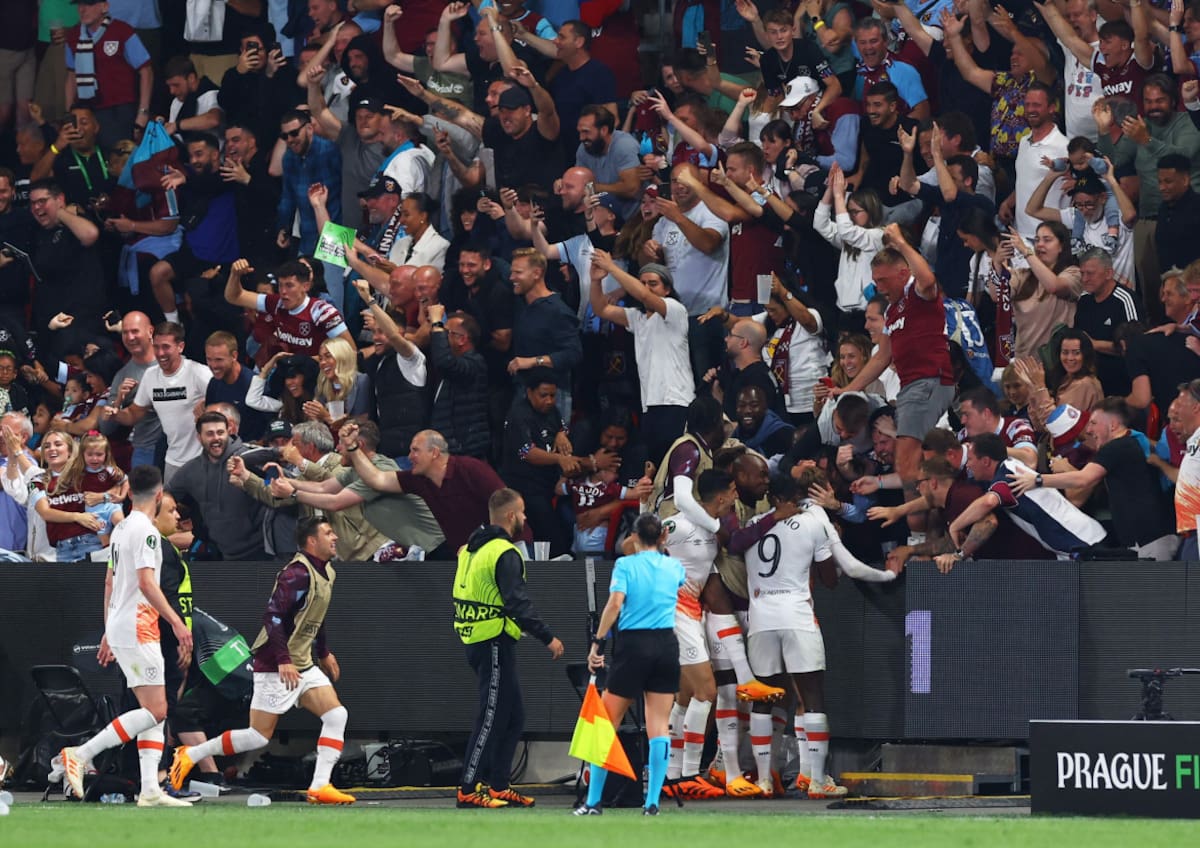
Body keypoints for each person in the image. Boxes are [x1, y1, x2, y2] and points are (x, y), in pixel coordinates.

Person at [169, 517, 356, 805]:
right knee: (257, 736)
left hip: (303, 664)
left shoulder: (327, 571)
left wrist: (323, 652)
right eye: (328, 533)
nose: (335, 538)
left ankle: (319, 786)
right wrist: (283, 660)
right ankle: (190, 753)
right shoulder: (296, 574)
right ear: (311, 541)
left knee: (336, 715)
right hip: (275, 666)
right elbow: (273, 617)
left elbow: (315, 616)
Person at [744, 472, 898, 798]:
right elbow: (831, 577)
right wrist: (885, 575)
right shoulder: (814, 521)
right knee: (812, 697)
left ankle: (763, 780)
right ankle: (817, 780)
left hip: (760, 618)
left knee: (764, 699)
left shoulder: (754, 525)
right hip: (797, 616)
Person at [61, 465, 194, 808]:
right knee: (157, 709)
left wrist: (108, 628)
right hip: (140, 625)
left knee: (154, 709)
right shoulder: (147, 532)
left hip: (123, 622)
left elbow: (109, 583)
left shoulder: (120, 529)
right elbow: (147, 584)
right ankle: (81, 753)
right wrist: (177, 623)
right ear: (160, 495)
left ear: (130, 492)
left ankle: (150, 789)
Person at [454, 487, 564, 809]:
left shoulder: (470, 549)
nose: (526, 518)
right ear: (512, 516)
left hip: (477, 637)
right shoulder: (504, 552)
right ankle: (468, 788)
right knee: (490, 716)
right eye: (524, 512)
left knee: (513, 715)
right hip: (493, 640)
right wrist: (548, 637)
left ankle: (499, 785)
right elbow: (517, 602)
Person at [574, 513, 683, 817]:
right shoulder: (674, 567)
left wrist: (598, 642)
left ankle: (594, 801)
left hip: (633, 646)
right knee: (659, 725)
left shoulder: (625, 565)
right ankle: (652, 803)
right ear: (662, 536)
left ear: (634, 538)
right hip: (666, 645)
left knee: (606, 723)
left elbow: (615, 603)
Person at [1008, 397, 1178, 560]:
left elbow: (1084, 479)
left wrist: (1037, 480)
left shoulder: (1116, 447)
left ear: (1112, 425)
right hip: (1149, 539)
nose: (1089, 430)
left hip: (1151, 540)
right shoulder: (1131, 443)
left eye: (1094, 423)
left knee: (1155, 590)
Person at [587, 250, 693, 466]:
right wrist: (596, 281)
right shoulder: (637, 317)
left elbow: (644, 297)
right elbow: (600, 309)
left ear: (667, 289)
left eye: (652, 283)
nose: (646, 288)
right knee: (656, 468)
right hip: (649, 405)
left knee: (676, 466)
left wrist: (612, 267)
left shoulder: (675, 310)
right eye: (642, 282)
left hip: (676, 402)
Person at [948, 432, 1105, 559]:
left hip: (1083, 542)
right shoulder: (1010, 465)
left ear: (986, 461)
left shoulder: (1008, 476)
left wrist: (955, 526)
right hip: (1070, 547)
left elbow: (988, 502)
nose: (967, 465)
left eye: (970, 459)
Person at [106, 322, 213, 483]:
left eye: (166, 347)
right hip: (173, 460)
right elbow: (134, 414)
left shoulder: (197, 372)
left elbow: (225, 398)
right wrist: (116, 413)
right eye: (156, 347)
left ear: (180, 347)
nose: (160, 353)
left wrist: (209, 403)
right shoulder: (150, 376)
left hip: (204, 459)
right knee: (169, 506)